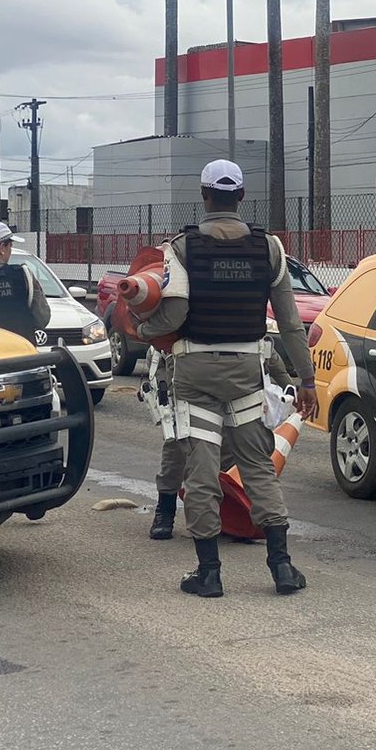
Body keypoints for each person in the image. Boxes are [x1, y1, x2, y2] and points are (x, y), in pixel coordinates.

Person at [135, 160, 317, 597]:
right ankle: (282, 567)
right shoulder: (269, 248)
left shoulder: (181, 248)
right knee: (257, 464)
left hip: (196, 373)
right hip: (246, 372)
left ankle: (209, 573)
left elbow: (174, 313)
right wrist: (306, 380)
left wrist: (142, 329)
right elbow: (290, 323)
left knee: (201, 468)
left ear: (204, 196)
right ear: (240, 196)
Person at [147, 346, 293, 541]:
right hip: (185, 376)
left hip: (231, 381)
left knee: (230, 452)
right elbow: (158, 335)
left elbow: (264, 346)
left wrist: (291, 386)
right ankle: (165, 510)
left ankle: (225, 516)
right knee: (177, 449)